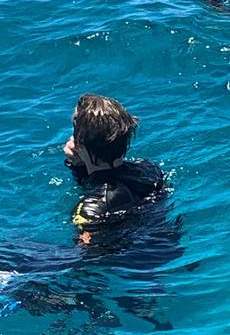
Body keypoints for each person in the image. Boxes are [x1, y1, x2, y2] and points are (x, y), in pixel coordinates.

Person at [63, 93, 166, 244]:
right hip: (167, 243)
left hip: (132, 262)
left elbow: (86, 256)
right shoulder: (150, 169)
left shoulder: (88, 210)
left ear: (78, 144)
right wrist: (78, 165)